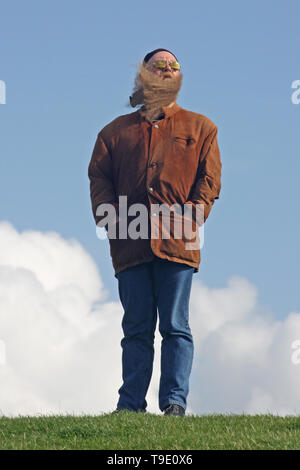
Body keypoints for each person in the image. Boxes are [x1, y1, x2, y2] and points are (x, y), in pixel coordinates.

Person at [88, 48, 222, 416]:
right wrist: (110, 217)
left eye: (173, 67)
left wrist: (193, 215)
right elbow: (98, 177)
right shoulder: (113, 133)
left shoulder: (201, 127)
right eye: (158, 66)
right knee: (136, 327)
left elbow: (209, 181)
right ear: (142, 75)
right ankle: (130, 406)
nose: (166, 71)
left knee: (176, 326)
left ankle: (174, 403)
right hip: (129, 242)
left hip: (180, 240)